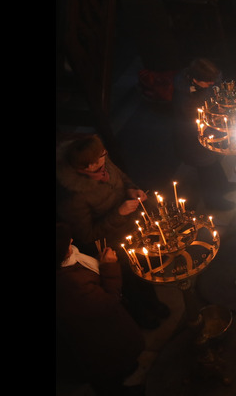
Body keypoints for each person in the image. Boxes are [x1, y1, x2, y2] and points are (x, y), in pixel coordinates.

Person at [56, 135, 169, 328]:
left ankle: (154, 303)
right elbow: (87, 235)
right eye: (101, 156)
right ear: (88, 166)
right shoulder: (74, 198)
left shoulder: (102, 161)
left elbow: (122, 178)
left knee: (144, 269)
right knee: (128, 282)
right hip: (112, 246)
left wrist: (133, 190)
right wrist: (119, 212)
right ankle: (140, 316)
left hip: (132, 230)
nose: (105, 156)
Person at [56, 223, 145, 396]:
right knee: (107, 373)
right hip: (96, 338)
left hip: (95, 330)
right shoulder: (70, 284)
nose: (72, 240)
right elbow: (109, 301)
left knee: (115, 362)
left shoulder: (70, 263)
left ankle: (123, 369)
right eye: (67, 242)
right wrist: (109, 267)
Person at [172, 59, 236, 211]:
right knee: (206, 170)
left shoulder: (206, 81)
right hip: (193, 139)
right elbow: (193, 123)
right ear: (196, 80)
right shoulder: (185, 99)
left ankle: (223, 185)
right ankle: (213, 202)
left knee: (214, 162)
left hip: (208, 129)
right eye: (208, 83)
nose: (211, 85)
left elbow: (214, 91)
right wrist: (216, 130)